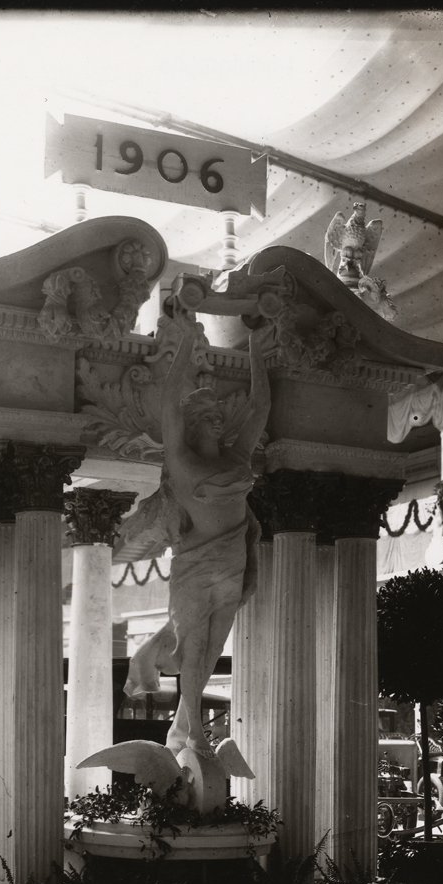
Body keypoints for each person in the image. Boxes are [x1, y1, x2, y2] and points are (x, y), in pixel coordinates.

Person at [121, 316, 272, 757]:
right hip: (194, 568)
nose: (216, 422)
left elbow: (259, 408)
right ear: (191, 425)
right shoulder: (184, 465)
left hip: (231, 567)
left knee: (212, 649)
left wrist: (256, 353)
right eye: (206, 416)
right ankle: (194, 734)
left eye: (217, 416)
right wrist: (185, 343)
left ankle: (184, 731)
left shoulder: (237, 458)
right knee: (195, 647)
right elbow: (169, 404)